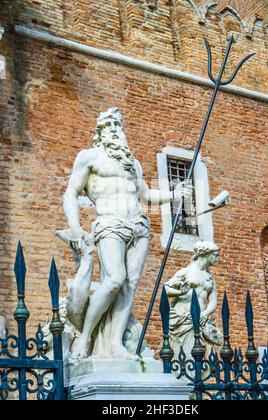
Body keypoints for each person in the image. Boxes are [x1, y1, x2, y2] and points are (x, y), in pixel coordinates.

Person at [62, 107, 193, 360]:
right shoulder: (89, 157)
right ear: (100, 131)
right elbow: (71, 193)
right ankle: (86, 337)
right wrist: (75, 227)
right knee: (114, 279)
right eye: (109, 125)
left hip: (139, 226)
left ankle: (115, 345)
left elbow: (145, 195)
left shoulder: (133, 163)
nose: (114, 129)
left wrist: (174, 194)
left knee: (129, 286)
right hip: (110, 223)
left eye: (118, 125)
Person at [165, 241, 223, 360]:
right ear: (206, 254)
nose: (217, 258)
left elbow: (213, 302)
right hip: (184, 318)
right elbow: (165, 289)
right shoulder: (186, 272)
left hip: (202, 320)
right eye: (215, 255)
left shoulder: (210, 278)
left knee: (207, 360)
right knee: (185, 356)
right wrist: (180, 292)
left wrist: (205, 314)